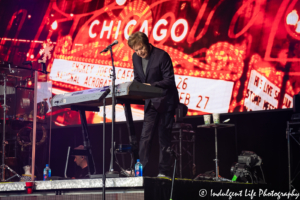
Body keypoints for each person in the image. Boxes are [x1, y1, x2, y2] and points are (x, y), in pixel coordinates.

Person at [127, 31, 179, 177]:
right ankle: (139, 170)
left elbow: (169, 80)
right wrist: (132, 87)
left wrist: (151, 86)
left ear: (147, 43)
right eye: (136, 50)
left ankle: (163, 172)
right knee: (145, 137)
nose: (140, 52)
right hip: (151, 103)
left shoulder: (161, 56)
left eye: (141, 48)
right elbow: (138, 78)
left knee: (164, 138)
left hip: (166, 102)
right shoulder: (135, 58)